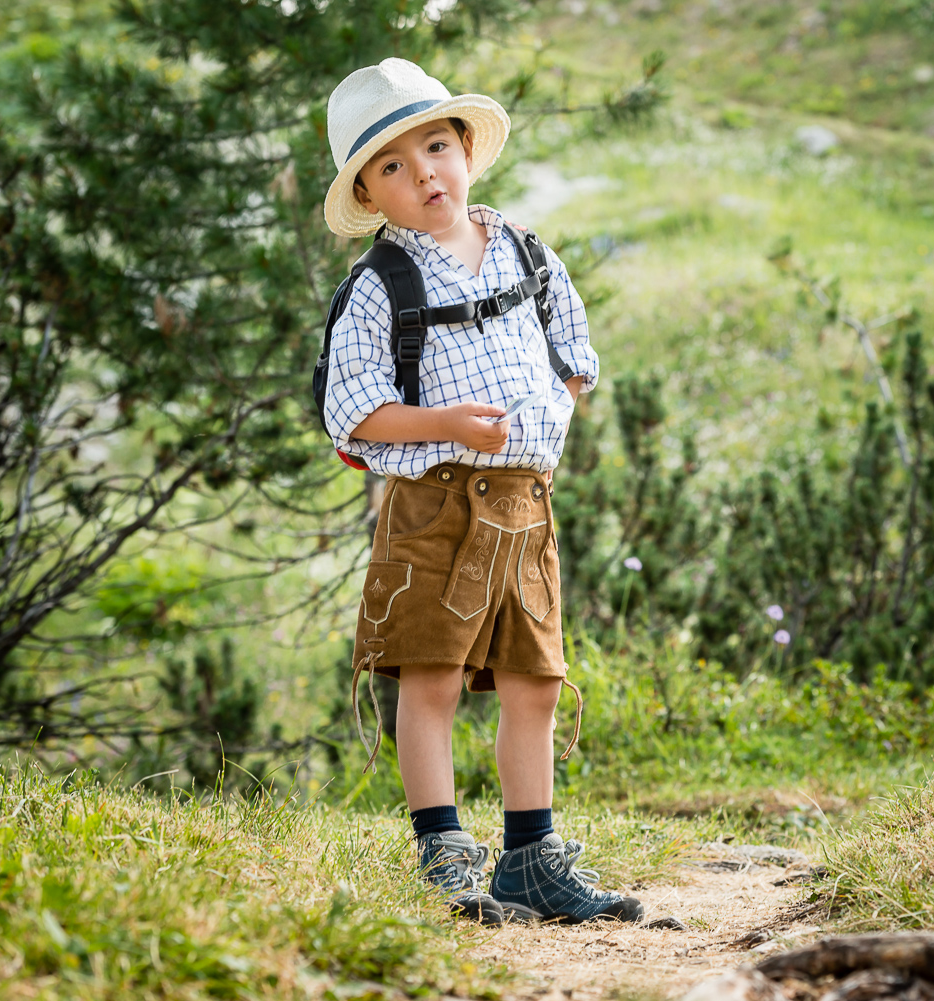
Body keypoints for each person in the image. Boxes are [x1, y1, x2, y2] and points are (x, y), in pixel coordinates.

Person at [320, 57, 643, 927]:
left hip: (523, 503)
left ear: (465, 148)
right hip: (437, 505)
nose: (423, 171)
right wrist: (448, 426)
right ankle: (444, 849)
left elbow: (575, 354)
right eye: (392, 165)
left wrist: (545, 419)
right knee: (432, 676)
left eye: (434, 145)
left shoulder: (527, 252)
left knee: (534, 679)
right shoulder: (381, 287)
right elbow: (351, 411)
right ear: (370, 195)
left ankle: (531, 856)